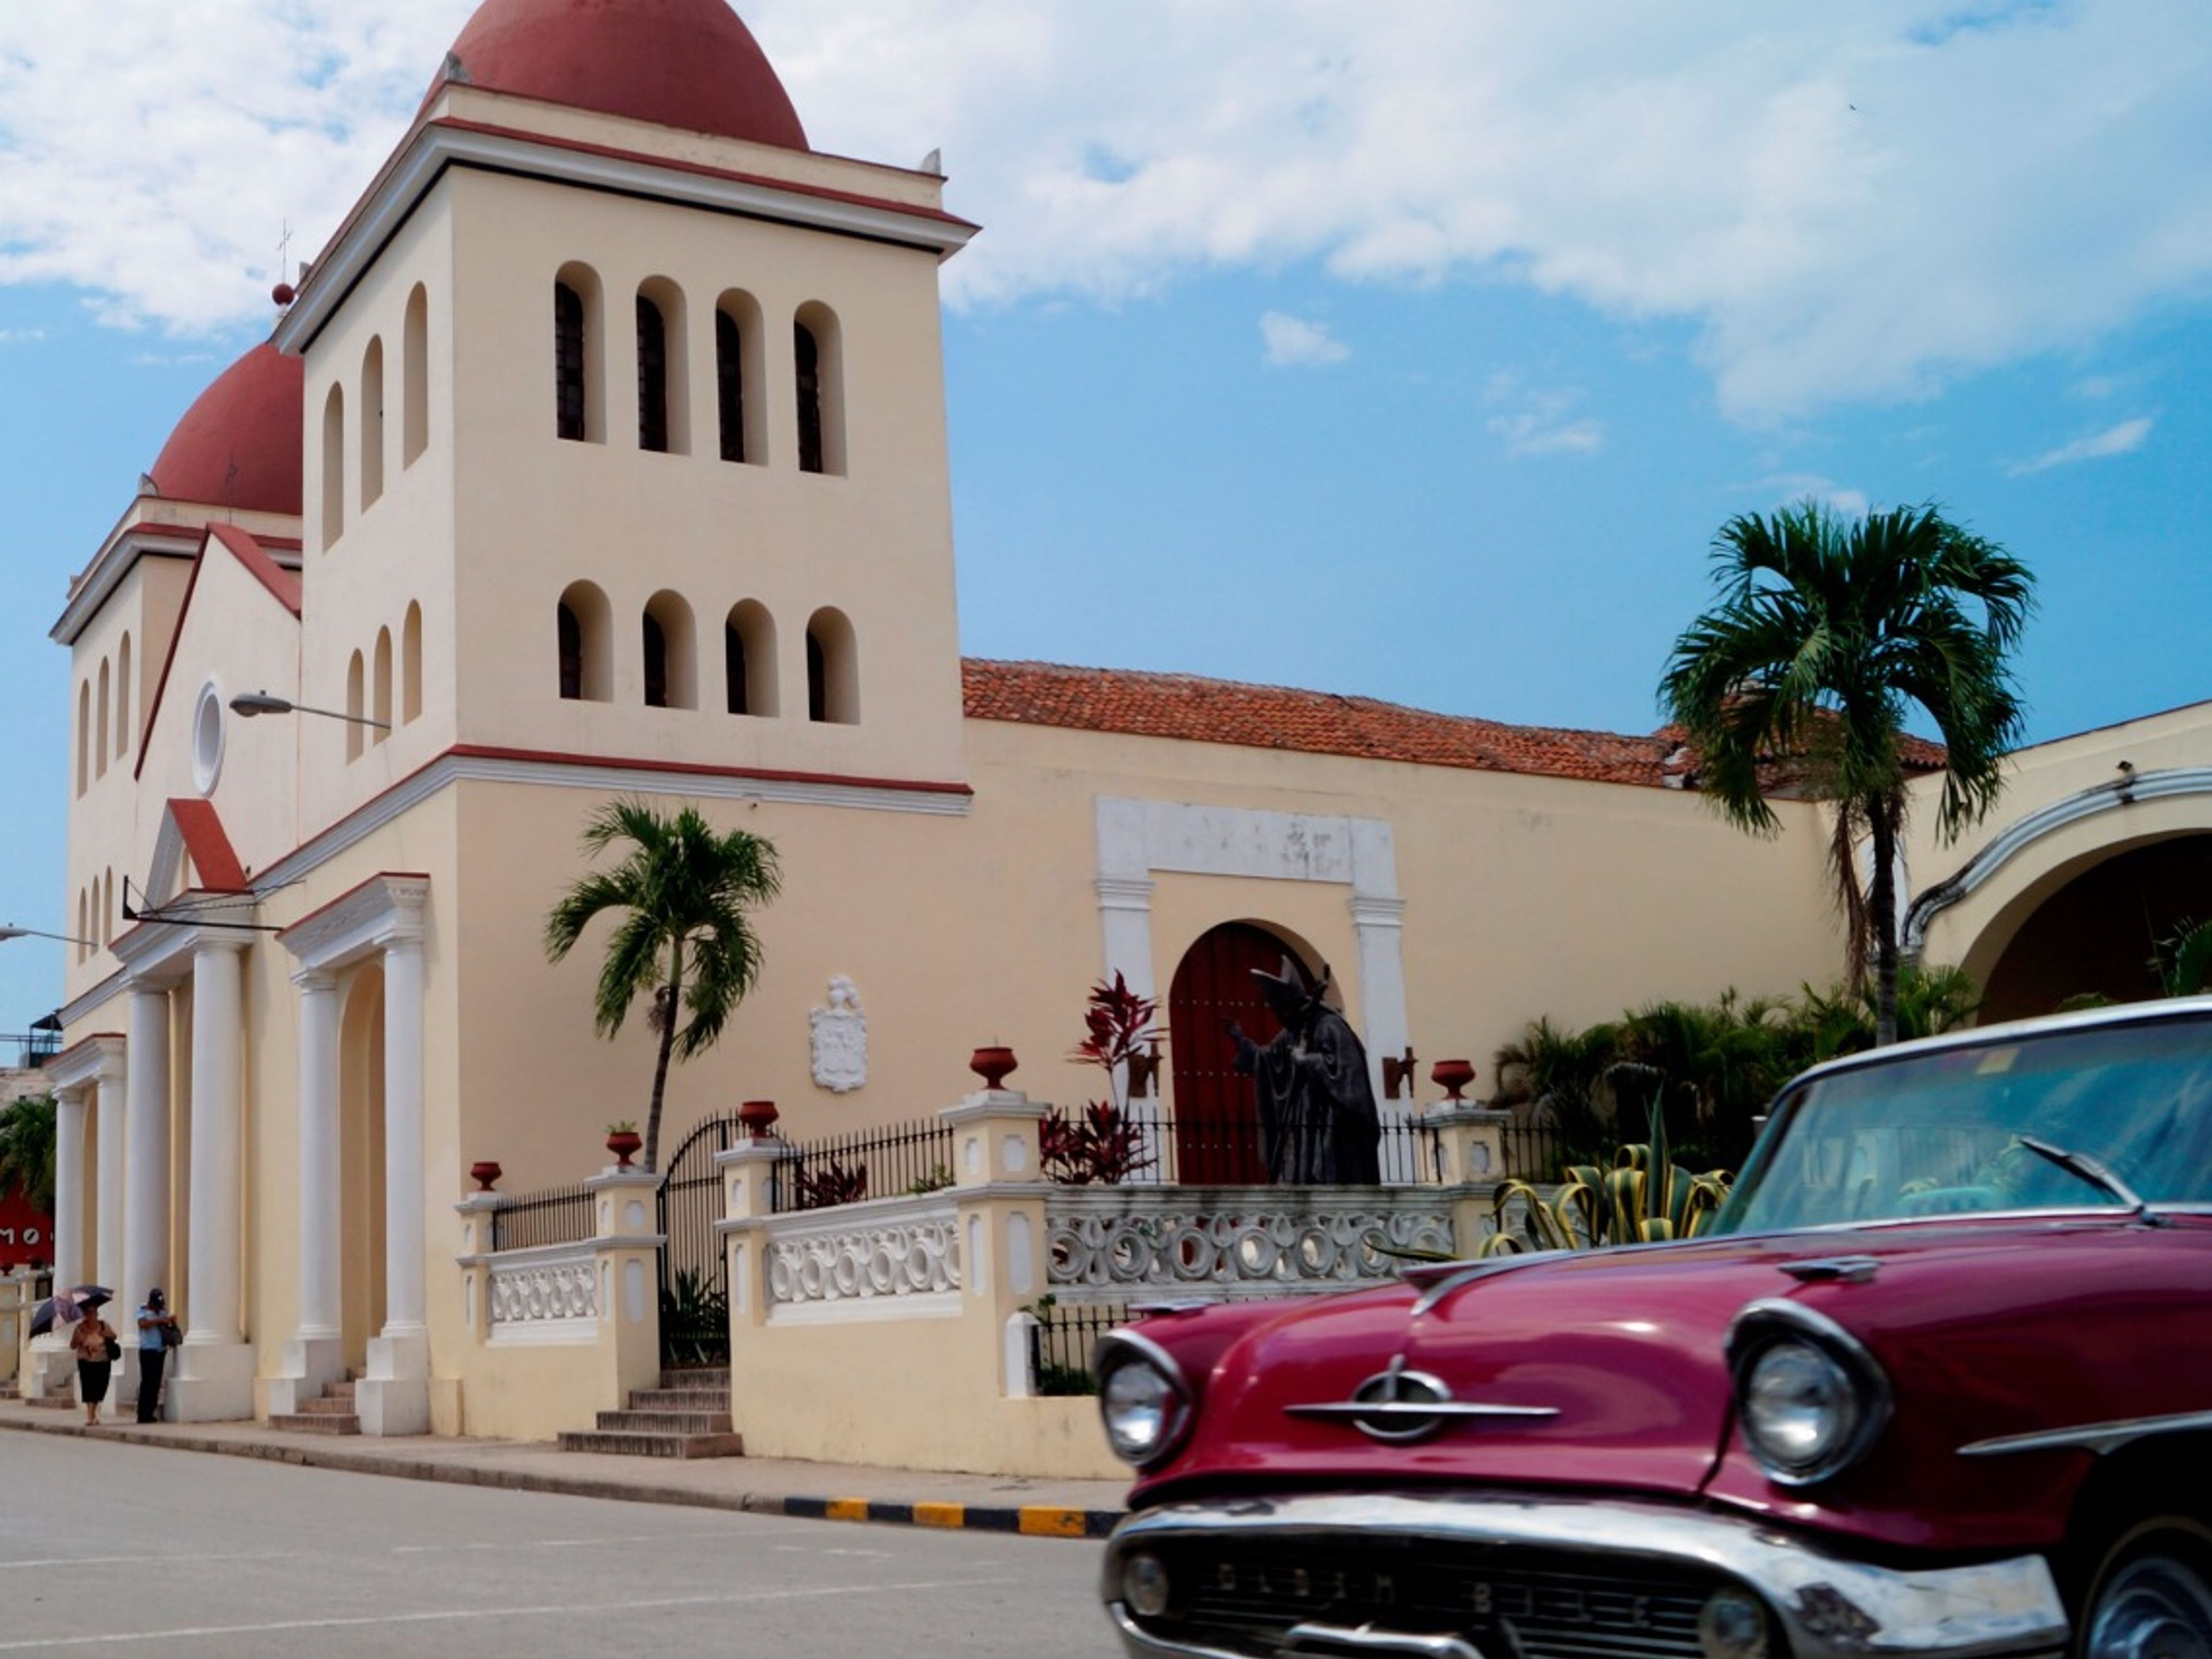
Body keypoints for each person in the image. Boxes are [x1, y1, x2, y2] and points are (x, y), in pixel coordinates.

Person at [1228, 956, 1383, 1185]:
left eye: (1282, 1013)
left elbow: (1350, 1072)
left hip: (1328, 1121)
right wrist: (1242, 1043)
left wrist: (1308, 1061)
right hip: (1303, 1120)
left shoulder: (1329, 1026)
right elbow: (1269, 1059)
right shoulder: (1294, 1031)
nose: (1281, 1019)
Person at [69, 1306, 118, 1427]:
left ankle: (93, 1413)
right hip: (86, 1361)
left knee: (101, 1387)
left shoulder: (103, 1325)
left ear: (97, 1314)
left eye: (93, 1313)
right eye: (88, 1313)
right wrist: (77, 1340)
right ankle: (90, 1416)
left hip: (103, 1360)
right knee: (89, 1387)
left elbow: (114, 1337)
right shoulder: (80, 1328)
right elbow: (72, 1346)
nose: (90, 1315)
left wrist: (107, 1335)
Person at [135, 1289, 178, 1423]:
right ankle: (143, 1414)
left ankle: (151, 1412)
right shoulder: (142, 1310)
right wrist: (159, 1320)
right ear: (151, 1302)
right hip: (147, 1350)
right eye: (156, 1304)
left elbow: (170, 1327)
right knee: (147, 1382)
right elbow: (143, 1324)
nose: (158, 1307)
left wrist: (172, 1321)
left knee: (156, 1382)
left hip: (160, 1350)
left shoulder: (162, 1311)